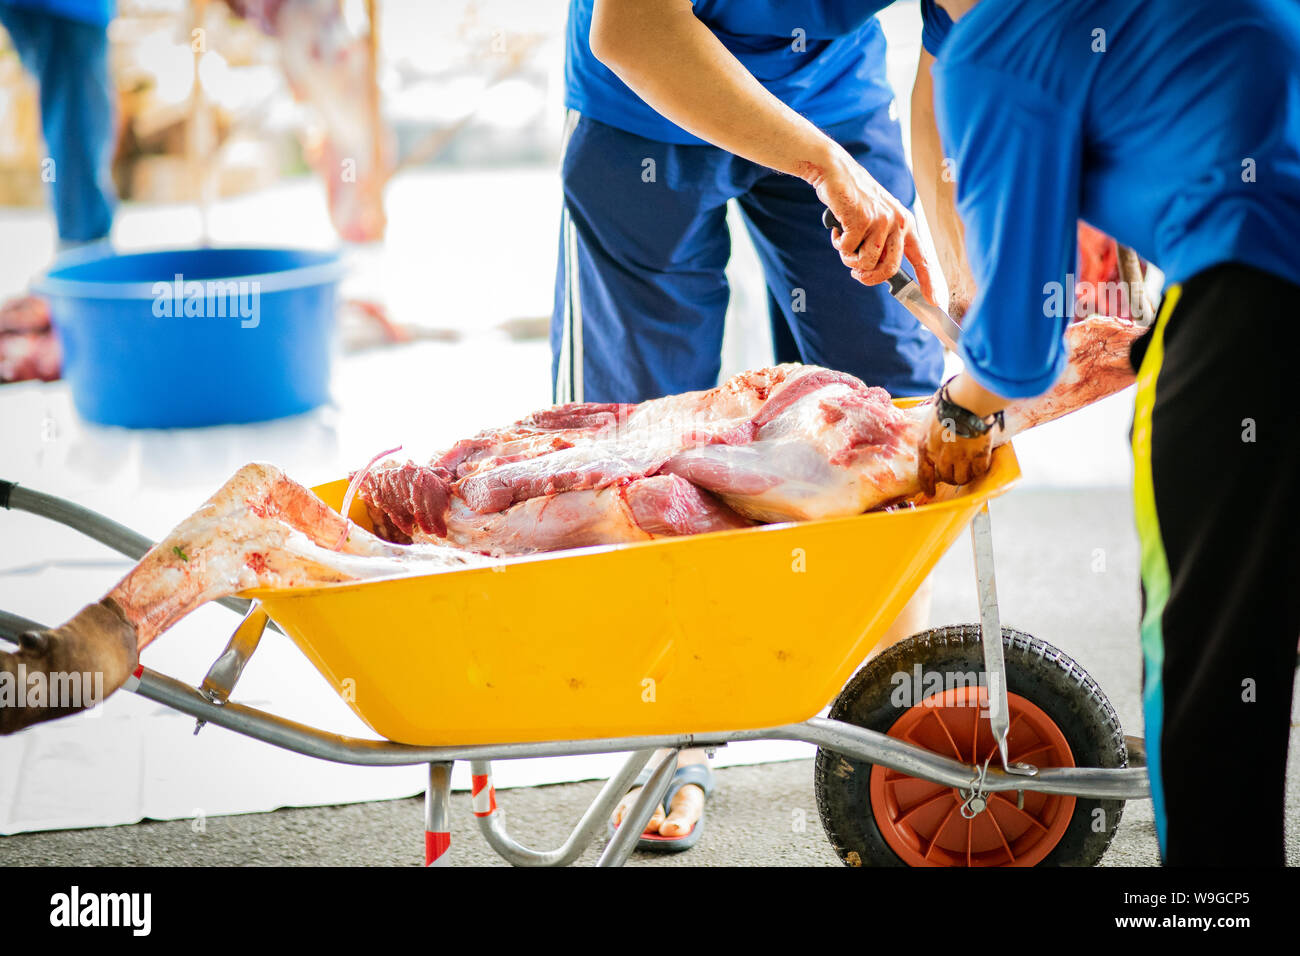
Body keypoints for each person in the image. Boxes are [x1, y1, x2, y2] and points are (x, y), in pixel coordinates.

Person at [558, 0, 976, 852]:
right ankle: (673, 733)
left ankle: (893, 714)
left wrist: (966, 287)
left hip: (833, 90)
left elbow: (957, 66)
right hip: (649, 98)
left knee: (896, 404)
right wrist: (821, 166)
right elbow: (631, 32)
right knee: (641, 440)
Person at [914, 0, 1300, 865]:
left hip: (1255, 295)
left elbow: (1017, 347)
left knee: (1210, 659)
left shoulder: (999, 44)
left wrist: (960, 408)